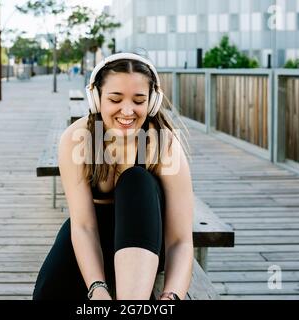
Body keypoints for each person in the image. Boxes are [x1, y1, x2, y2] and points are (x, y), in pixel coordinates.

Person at [32, 53, 194, 300]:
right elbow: (84, 226)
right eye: (115, 99)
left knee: (135, 181)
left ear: (152, 102)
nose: (127, 111)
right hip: (98, 235)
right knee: (48, 292)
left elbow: (180, 240)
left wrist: (171, 297)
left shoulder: (163, 145)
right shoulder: (77, 140)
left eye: (139, 100)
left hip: (148, 241)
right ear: (96, 98)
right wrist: (97, 288)